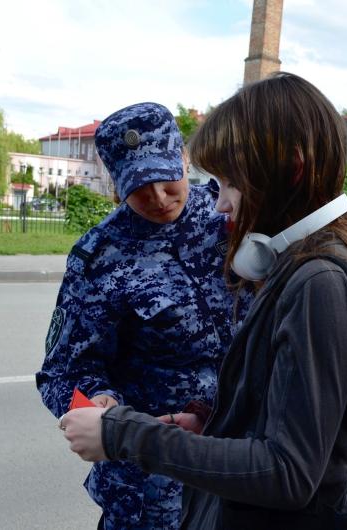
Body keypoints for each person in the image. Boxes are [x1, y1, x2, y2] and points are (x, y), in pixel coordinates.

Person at [59, 73, 347, 529]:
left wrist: (126, 433)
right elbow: (284, 411)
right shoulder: (301, 266)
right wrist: (215, 423)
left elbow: (288, 472)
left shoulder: (318, 282)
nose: (221, 204)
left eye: (230, 183)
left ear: (292, 170)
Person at [36, 102, 246, 529]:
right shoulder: (99, 257)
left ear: (183, 159)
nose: (157, 198)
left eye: (166, 179)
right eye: (138, 186)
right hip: (150, 483)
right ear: (116, 184)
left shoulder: (227, 216)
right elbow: (62, 372)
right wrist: (96, 401)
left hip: (238, 455)